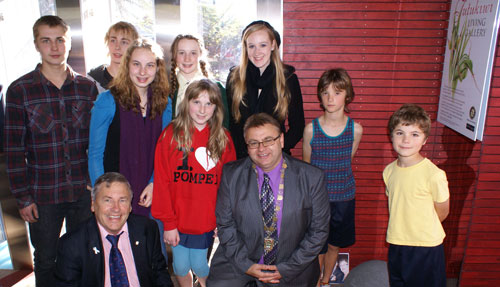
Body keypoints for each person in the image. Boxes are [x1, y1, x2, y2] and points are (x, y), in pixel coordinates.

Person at [3, 15, 97, 286]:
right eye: (47, 40)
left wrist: (95, 186)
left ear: (69, 44)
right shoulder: (20, 90)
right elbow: (13, 150)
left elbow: (95, 144)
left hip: (82, 191)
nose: (54, 47)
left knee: (84, 254)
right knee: (46, 258)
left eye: (60, 40)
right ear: (36, 45)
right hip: (42, 195)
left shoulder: (87, 88)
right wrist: (23, 198)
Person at [207, 113, 330, 286]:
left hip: (292, 265)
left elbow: (319, 232)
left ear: (281, 140)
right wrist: (247, 265)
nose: (261, 148)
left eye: (268, 140)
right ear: (247, 146)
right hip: (241, 260)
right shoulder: (231, 175)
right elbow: (225, 225)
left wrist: (286, 269)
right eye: (254, 143)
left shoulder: (312, 178)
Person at [152, 79, 236, 287]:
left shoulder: (223, 138)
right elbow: (161, 182)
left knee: (199, 265)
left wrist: (223, 220)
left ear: (217, 107)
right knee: (180, 267)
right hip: (177, 221)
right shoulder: (170, 135)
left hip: (205, 221)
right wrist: (168, 224)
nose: (202, 109)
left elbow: (229, 186)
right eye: (197, 102)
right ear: (186, 102)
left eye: (209, 104)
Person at [88, 38, 171, 217]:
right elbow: (95, 155)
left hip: (153, 193)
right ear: (127, 66)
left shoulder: (165, 104)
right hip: (115, 197)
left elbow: (165, 152)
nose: (142, 71)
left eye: (149, 65)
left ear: (157, 69)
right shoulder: (108, 101)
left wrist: (154, 183)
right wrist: (104, 196)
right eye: (136, 64)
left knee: (153, 243)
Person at [54, 172, 174, 287]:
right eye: (107, 200)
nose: (115, 209)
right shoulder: (72, 244)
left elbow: (160, 273)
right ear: (93, 204)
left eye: (122, 200)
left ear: (130, 206)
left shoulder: (147, 229)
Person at [302, 68, 363, 287]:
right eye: (325, 92)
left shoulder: (355, 130)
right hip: (318, 199)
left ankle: (326, 280)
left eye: (337, 92)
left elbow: (347, 159)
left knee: (335, 244)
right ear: (319, 95)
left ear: (347, 95)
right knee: (317, 245)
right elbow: (308, 167)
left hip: (344, 198)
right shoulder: (311, 130)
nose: (330, 98)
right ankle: (317, 281)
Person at [383, 104, 450, 287]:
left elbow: (442, 212)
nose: (406, 140)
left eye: (414, 134)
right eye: (400, 133)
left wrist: (420, 230)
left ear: (425, 140)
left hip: (425, 246)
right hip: (397, 242)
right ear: (391, 136)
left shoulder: (434, 175)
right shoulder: (389, 171)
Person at [226, 20, 305, 158]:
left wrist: (276, 149)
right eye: (251, 46)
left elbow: (298, 126)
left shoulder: (288, 79)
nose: (257, 52)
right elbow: (233, 125)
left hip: (277, 157)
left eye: (263, 45)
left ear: (273, 45)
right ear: (245, 48)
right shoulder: (235, 78)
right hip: (243, 157)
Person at [169, 34, 229, 128]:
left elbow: (225, 127)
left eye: (193, 53)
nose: (187, 58)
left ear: (201, 54)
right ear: (174, 55)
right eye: (181, 53)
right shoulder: (165, 90)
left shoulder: (218, 89)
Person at [87, 21, 139, 93]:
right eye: (113, 40)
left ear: (134, 46)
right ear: (107, 43)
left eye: (124, 42)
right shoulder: (92, 80)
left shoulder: (140, 79)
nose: (117, 47)